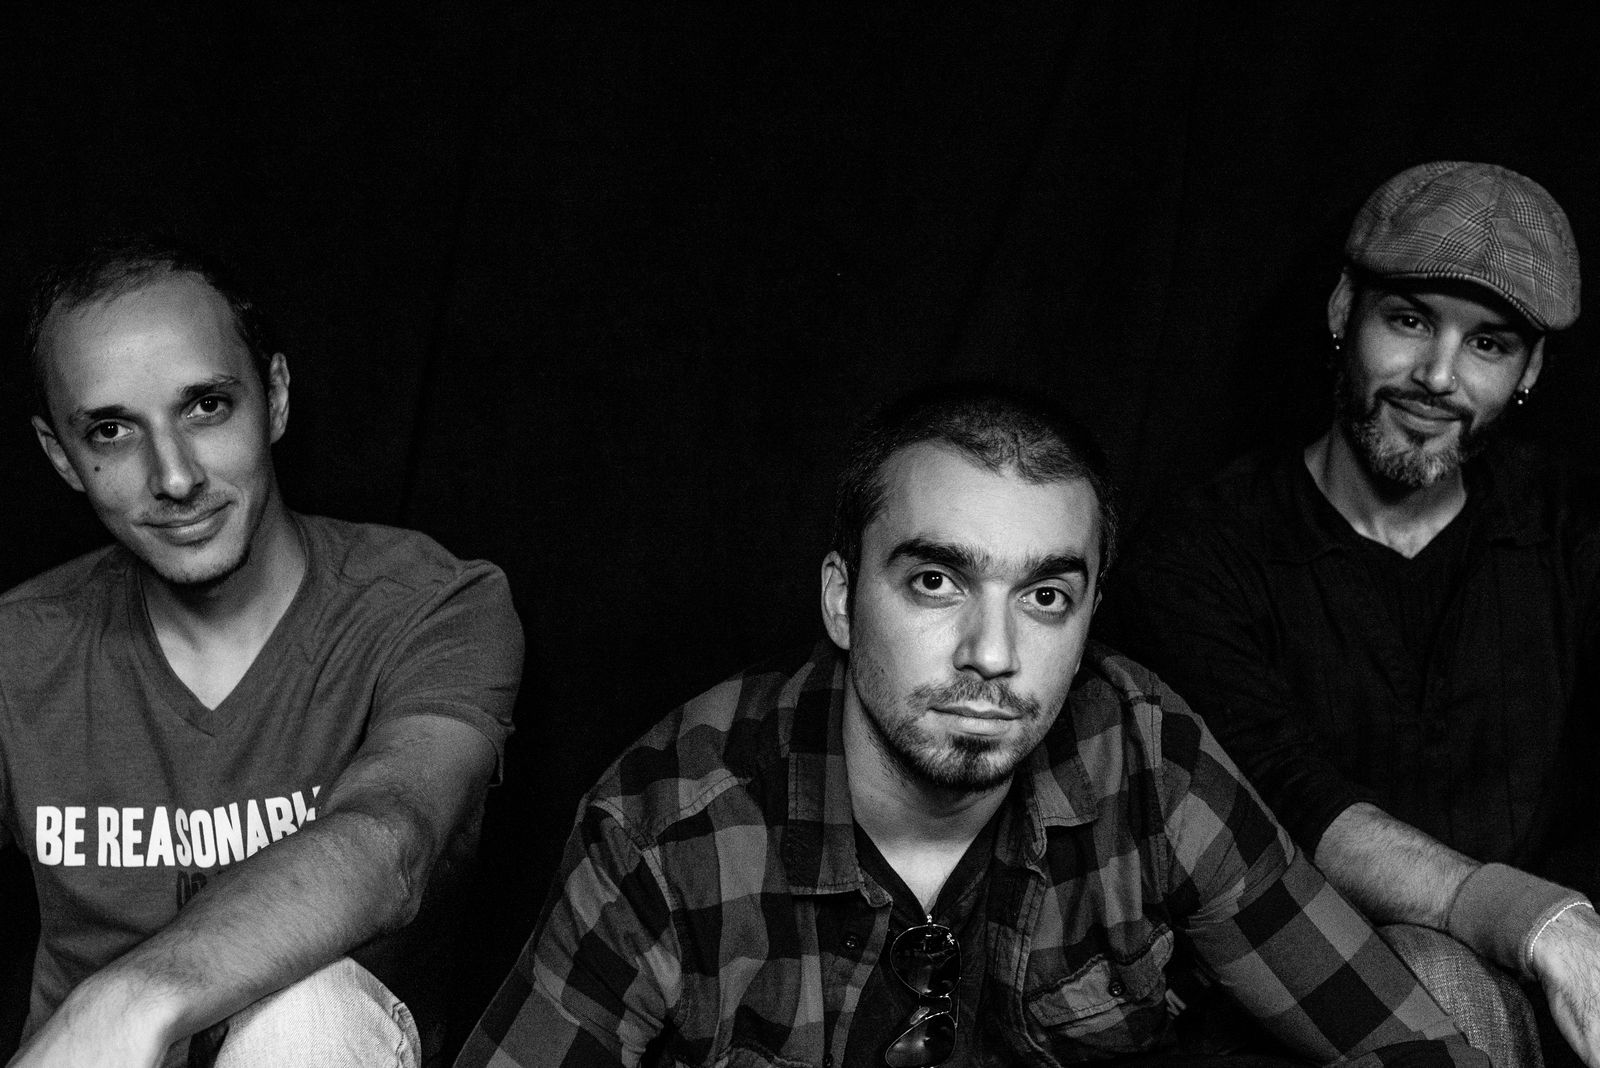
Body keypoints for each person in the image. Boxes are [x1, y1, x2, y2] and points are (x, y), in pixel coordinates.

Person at [457, 384, 1485, 1067]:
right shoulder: (670, 826)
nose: (992, 654)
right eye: (937, 582)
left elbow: (1405, 1043)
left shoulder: (1144, 758)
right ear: (840, 599)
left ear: (1088, 619)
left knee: (1450, 984)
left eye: (1045, 597)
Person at [1104, 161, 1600, 1067]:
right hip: (1289, 993)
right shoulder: (1202, 551)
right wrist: (1536, 920)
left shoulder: (1567, 529)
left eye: (1489, 344)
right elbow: (1291, 804)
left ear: (1530, 369)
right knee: (1433, 974)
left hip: (1563, 981)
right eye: (1409, 321)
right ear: (1343, 312)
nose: (1437, 376)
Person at [0, 236, 524, 1067]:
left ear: (274, 398)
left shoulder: (430, 605)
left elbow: (390, 841)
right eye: (112, 430)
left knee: (307, 1011)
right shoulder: (19, 648)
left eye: (206, 406)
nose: (175, 478)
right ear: (63, 456)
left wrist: (126, 1000)